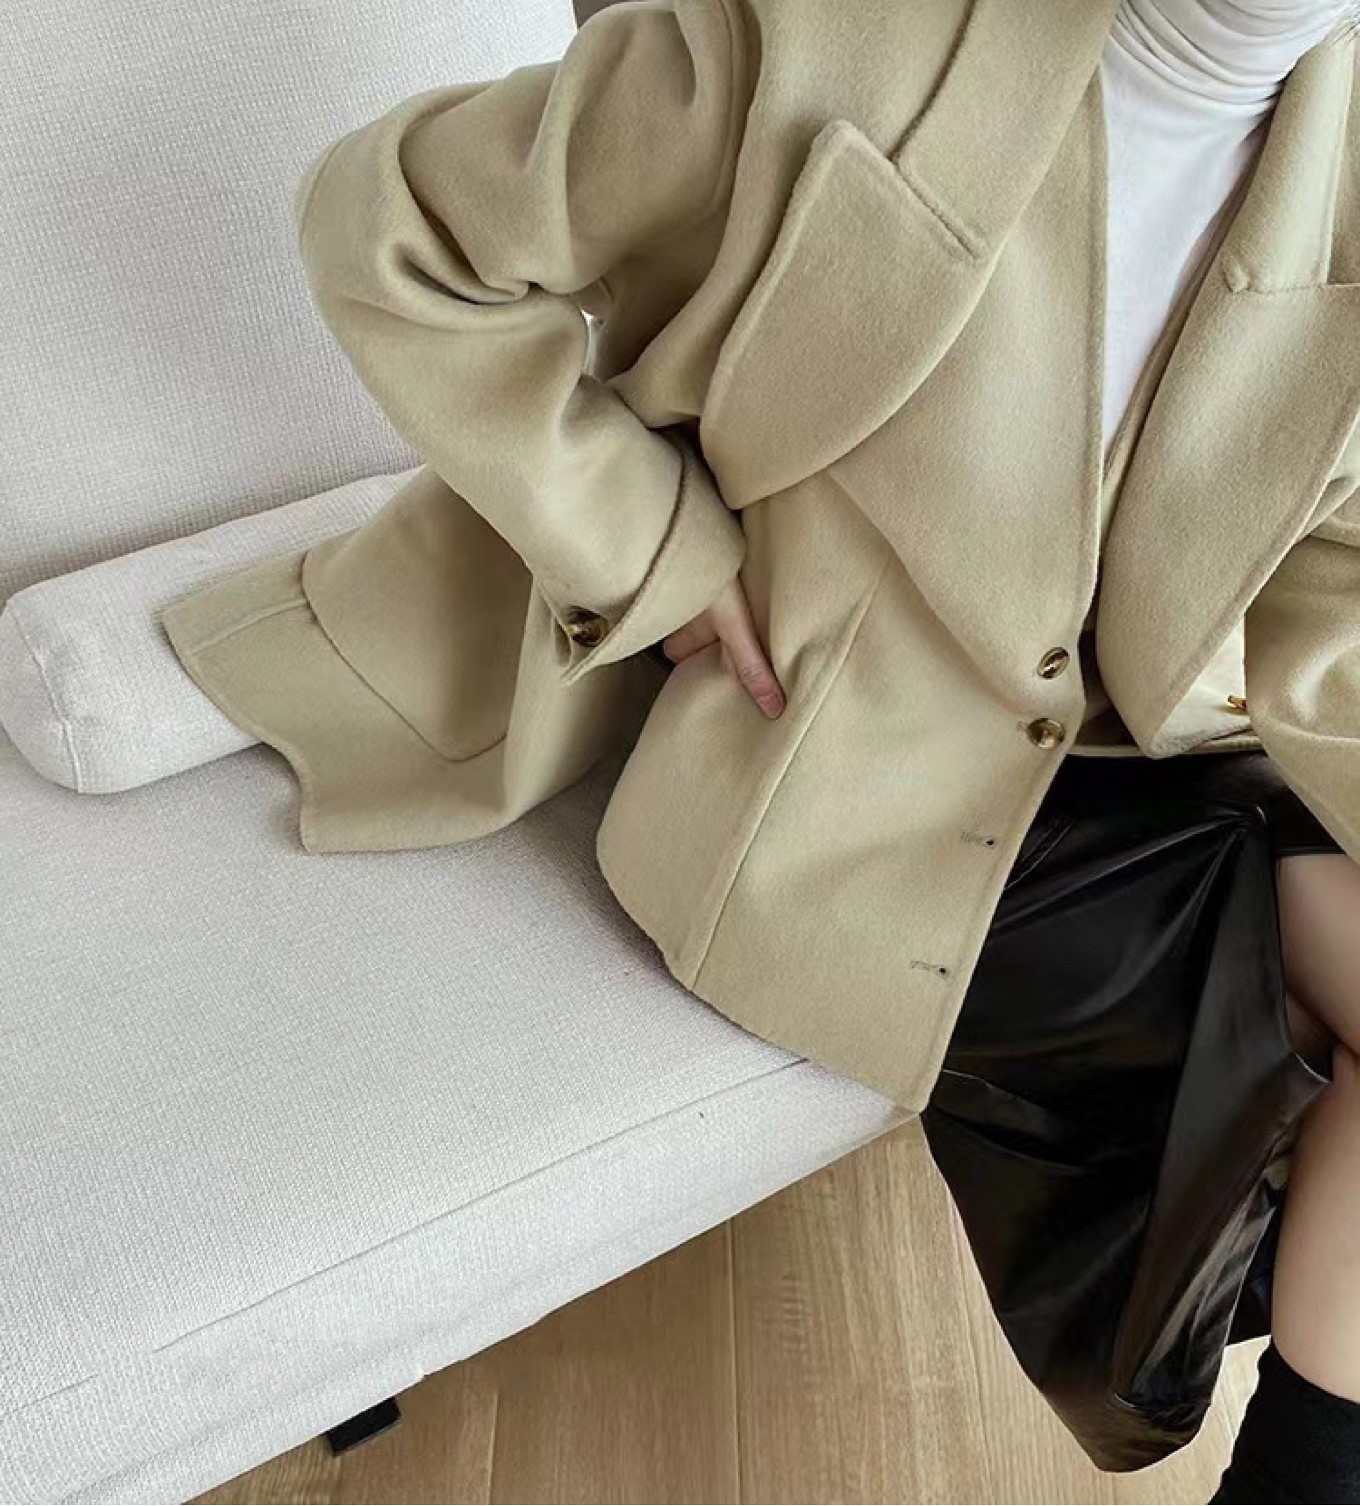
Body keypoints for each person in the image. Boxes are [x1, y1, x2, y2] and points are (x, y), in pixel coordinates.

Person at [160, 0, 1360, 1495]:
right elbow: (388, 227)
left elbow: (1327, 579)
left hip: (1160, 756)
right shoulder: (820, 33)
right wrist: (649, 549)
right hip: (853, 785)